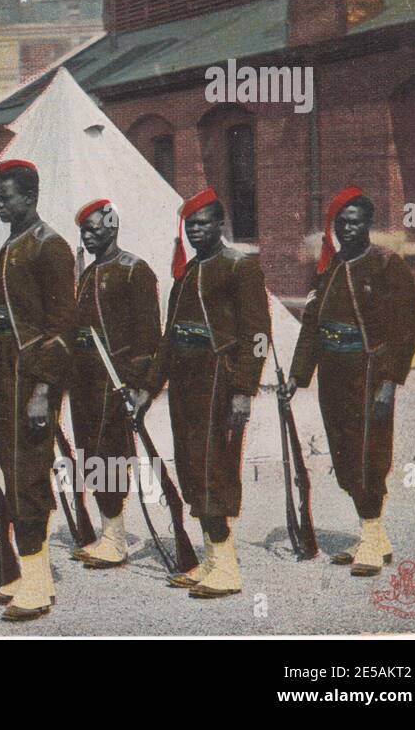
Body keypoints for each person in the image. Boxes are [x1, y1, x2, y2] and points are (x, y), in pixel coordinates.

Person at [134, 187, 269, 599]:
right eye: (189, 225)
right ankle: (210, 560)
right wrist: (148, 388)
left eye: (203, 223)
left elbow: (258, 333)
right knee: (192, 468)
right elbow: (169, 339)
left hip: (219, 381)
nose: (196, 231)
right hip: (185, 385)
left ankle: (226, 567)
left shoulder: (239, 267)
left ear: (220, 224)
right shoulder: (187, 275)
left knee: (215, 469)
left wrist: (244, 389)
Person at [286, 188, 415, 577]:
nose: (348, 228)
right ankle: (374, 537)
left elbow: (407, 328)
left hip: (368, 374)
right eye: (341, 222)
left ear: (368, 223)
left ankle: (371, 534)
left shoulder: (385, 264)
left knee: (368, 453)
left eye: (355, 221)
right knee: (344, 454)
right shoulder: (328, 267)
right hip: (333, 374)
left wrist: (389, 381)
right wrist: (297, 376)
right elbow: (311, 325)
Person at [0, 160, 75, 621]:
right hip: (2, 378)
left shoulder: (49, 247)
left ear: (30, 198)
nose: (0, 204)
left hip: (31, 381)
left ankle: (38, 583)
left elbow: (61, 330)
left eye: (7, 197)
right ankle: (22, 572)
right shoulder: (10, 247)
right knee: (12, 474)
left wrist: (42, 390)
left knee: (29, 476)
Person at [70, 198, 161, 571]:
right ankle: (109, 532)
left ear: (113, 225)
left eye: (94, 228)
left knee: (112, 455)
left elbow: (148, 335)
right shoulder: (88, 274)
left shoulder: (134, 270)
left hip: (115, 380)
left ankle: (116, 540)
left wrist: (141, 386)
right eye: (84, 231)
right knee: (91, 454)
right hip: (85, 382)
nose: (88, 236)